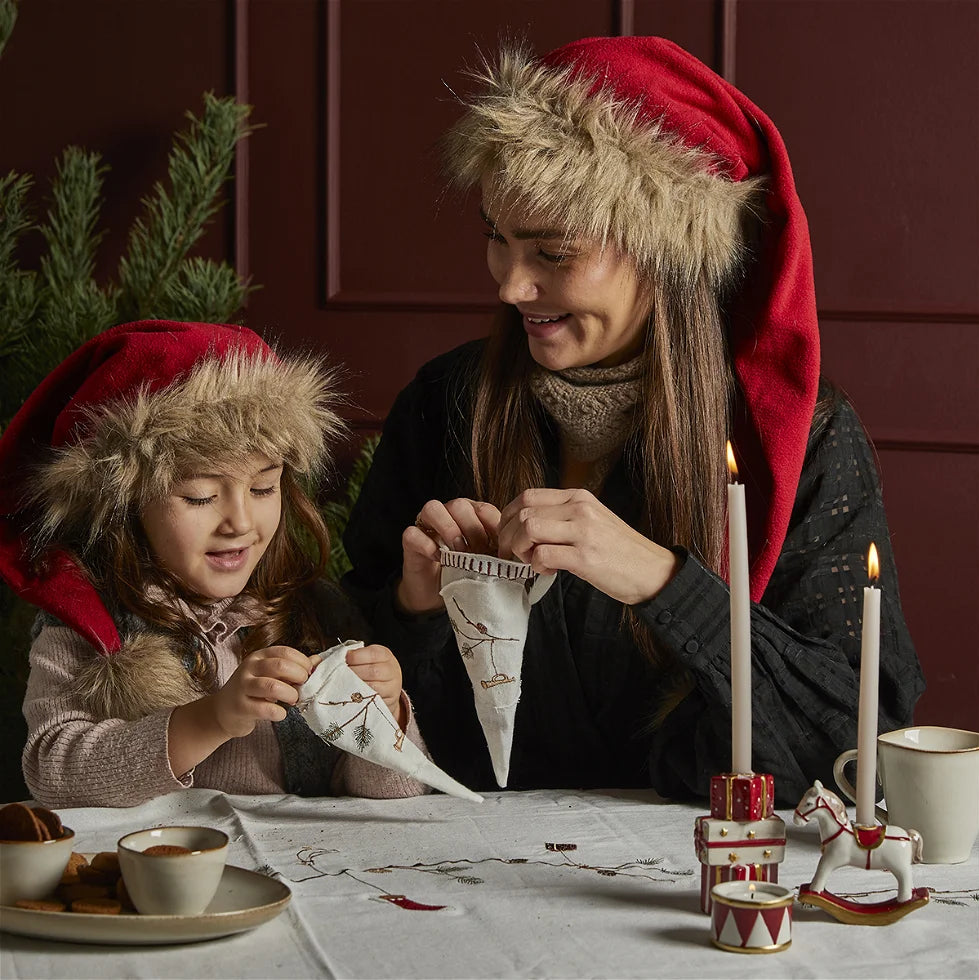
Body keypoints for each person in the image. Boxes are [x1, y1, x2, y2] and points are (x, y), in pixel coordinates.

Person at [341, 36, 925, 804]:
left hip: (697, 883)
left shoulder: (802, 438)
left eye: (552, 251)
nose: (512, 285)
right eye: (497, 238)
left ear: (665, 250)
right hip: (466, 865)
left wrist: (661, 581)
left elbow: (862, 749)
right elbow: (342, 695)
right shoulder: (444, 403)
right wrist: (413, 610)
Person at [0, 319, 429, 806]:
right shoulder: (89, 627)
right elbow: (53, 771)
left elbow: (393, 793)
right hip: (159, 868)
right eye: (201, 496)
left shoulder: (313, 612)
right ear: (126, 505)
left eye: (264, 487)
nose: (240, 522)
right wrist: (210, 718)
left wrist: (386, 712)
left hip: (301, 874)